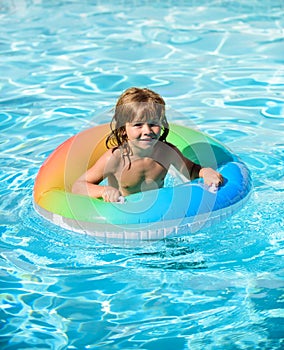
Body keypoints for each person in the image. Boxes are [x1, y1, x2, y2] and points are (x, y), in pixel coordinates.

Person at [72, 87, 223, 202]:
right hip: (125, 214)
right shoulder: (116, 158)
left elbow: (191, 171)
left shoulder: (166, 152)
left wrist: (206, 172)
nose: (147, 131)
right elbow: (79, 185)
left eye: (153, 124)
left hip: (159, 210)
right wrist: (104, 191)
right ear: (123, 129)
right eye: (138, 125)